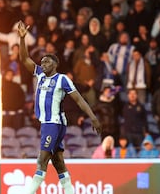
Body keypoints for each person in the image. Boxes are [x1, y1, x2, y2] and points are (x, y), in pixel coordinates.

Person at [17, 20, 101, 194]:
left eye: (47, 62)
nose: (43, 64)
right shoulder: (39, 74)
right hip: (47, 123)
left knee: (42, 160)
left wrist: (92, 117)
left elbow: (79, 99)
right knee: (58, 161)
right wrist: (22, 38)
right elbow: (24, 58)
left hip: (54, 122)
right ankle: (70, 191)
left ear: (55, 64)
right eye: (42, 62)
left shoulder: (62, 79)